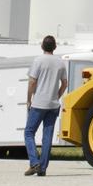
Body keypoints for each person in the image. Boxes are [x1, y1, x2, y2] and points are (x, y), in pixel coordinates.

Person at [24, 35, 67, 177]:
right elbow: (64, 83)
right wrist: (56, 96)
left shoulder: (38, 61)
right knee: (47, 136)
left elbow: (32, 82)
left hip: (39, 103)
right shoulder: (60, 62)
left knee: (29, 132)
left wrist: (29, 99)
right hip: (53, 105)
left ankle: (34, 162)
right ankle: (42, 168)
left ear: (42, 46)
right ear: (55, 47)